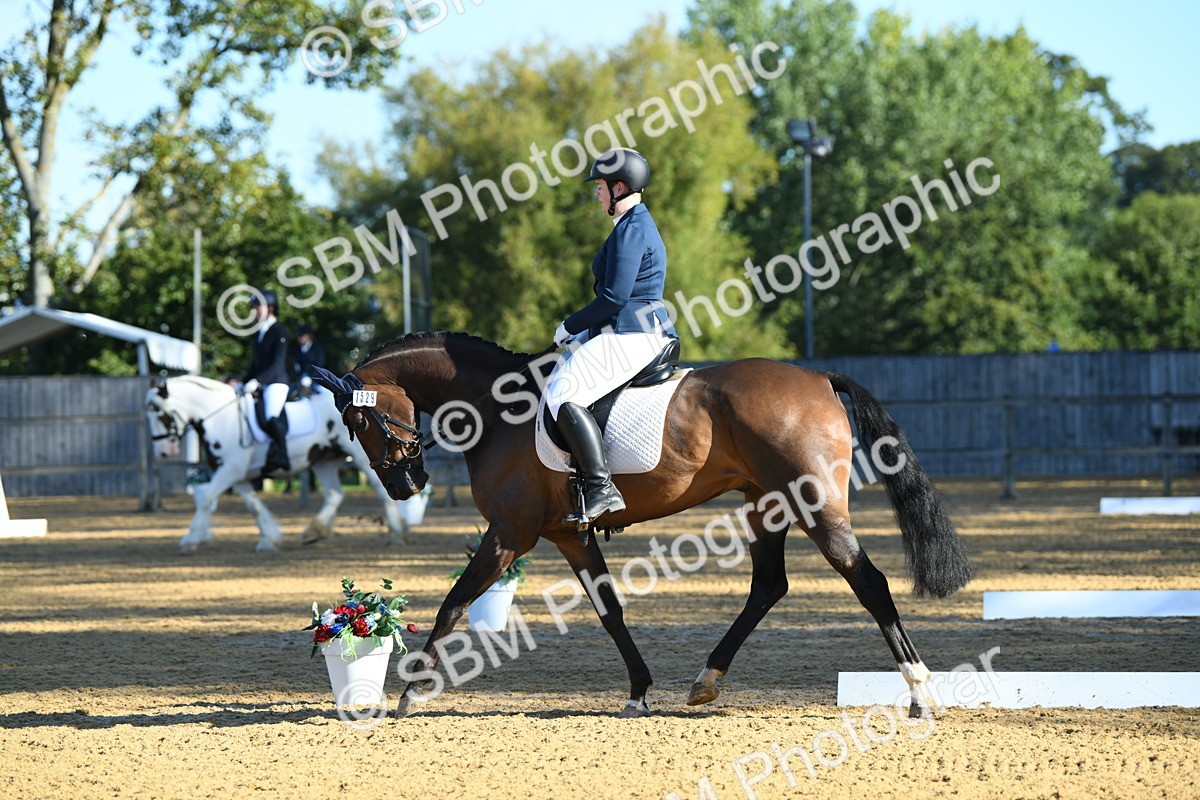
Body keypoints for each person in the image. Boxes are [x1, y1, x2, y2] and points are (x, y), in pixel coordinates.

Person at [544, 147, 677, 522]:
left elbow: (614, 298)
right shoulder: (631, 226)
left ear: (620, 187)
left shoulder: (633, 230)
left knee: (562, 394)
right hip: (622, 331)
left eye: (601, 187)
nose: (597, 193)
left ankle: (601, 487)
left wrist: (569, 326)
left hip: (634, 334)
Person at [241, 289, 291, 475]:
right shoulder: (259, 333)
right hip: (262, 382)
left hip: (277, 382)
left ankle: (282, 455)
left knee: (270, 415)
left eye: (257, 307)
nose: (254, 311)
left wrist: (258, 381)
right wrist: (243, 381)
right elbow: (256, 364)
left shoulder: (279, 331)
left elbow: (277, 363)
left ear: (270, 308)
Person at [292, 324, 327, 393]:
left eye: (302, 336)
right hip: (300, 379)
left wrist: (311, 378)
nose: (299, 338)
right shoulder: (297, 349)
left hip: (316, 379)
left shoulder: (317, 349)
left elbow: (320, 365)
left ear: (308, 336)